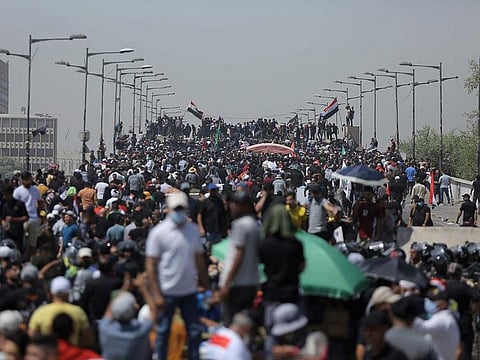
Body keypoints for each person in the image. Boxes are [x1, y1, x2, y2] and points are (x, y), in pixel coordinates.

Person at [145, 191, 209, 360]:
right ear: (169, 209)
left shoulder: (193, 230)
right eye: (177, 209)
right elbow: (151, 266)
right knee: (164, 332)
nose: (180, 212)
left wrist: (206, 283)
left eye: (182, 208)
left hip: (189, 290)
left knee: (194, 332)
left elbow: (199, 259)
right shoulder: (159, 233)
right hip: (167, 292)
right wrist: (156, 294)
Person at [259, 204, 305, 359]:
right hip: (292, 293)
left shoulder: (265, 245)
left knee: (271, 334)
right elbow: (302, 267)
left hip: (272, 295)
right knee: (295, 335)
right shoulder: (296, 245)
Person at [218, 190, 260, 326]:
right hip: (251, 281)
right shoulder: (255, 225)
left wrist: (227, 282)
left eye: (237, 204)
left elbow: (238, 255)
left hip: (237, 283)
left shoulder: (240, 225)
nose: (233, 207)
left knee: (231, 322)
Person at [28, 276, 93, 347]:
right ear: (68, 292)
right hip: (72, 354)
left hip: (48, 353)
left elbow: (31, 337)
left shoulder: (40, 312)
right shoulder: (78, 312)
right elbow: (89, 339)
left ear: (51, 292)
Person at [413, 290, 460, 360]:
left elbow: (422, 328)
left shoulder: (441, 319)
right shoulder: (447, 317)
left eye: (434, 301)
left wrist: (408, 317)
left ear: (444, 303)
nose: (431, 303)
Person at [12, 172, 43, 260]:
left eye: (29, 179)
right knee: (20, 241)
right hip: (22, 219)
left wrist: (39, 214)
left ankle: (31, 260)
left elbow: (40, 202)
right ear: (22, 180)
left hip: (33, 218)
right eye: (26, 180)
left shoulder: (35, 189)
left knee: (33, 242)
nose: (28, 181)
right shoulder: (18, 191)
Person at [1, 185, 28, 252]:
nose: (5, 197)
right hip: (7, 233)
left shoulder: (20, 204)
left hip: (18, 232)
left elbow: (26, 217)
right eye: (4, 195)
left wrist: (14, 219)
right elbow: (2, 218)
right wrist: (3, 224)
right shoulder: (4, 205)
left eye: (6, 195)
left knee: (18, 249)